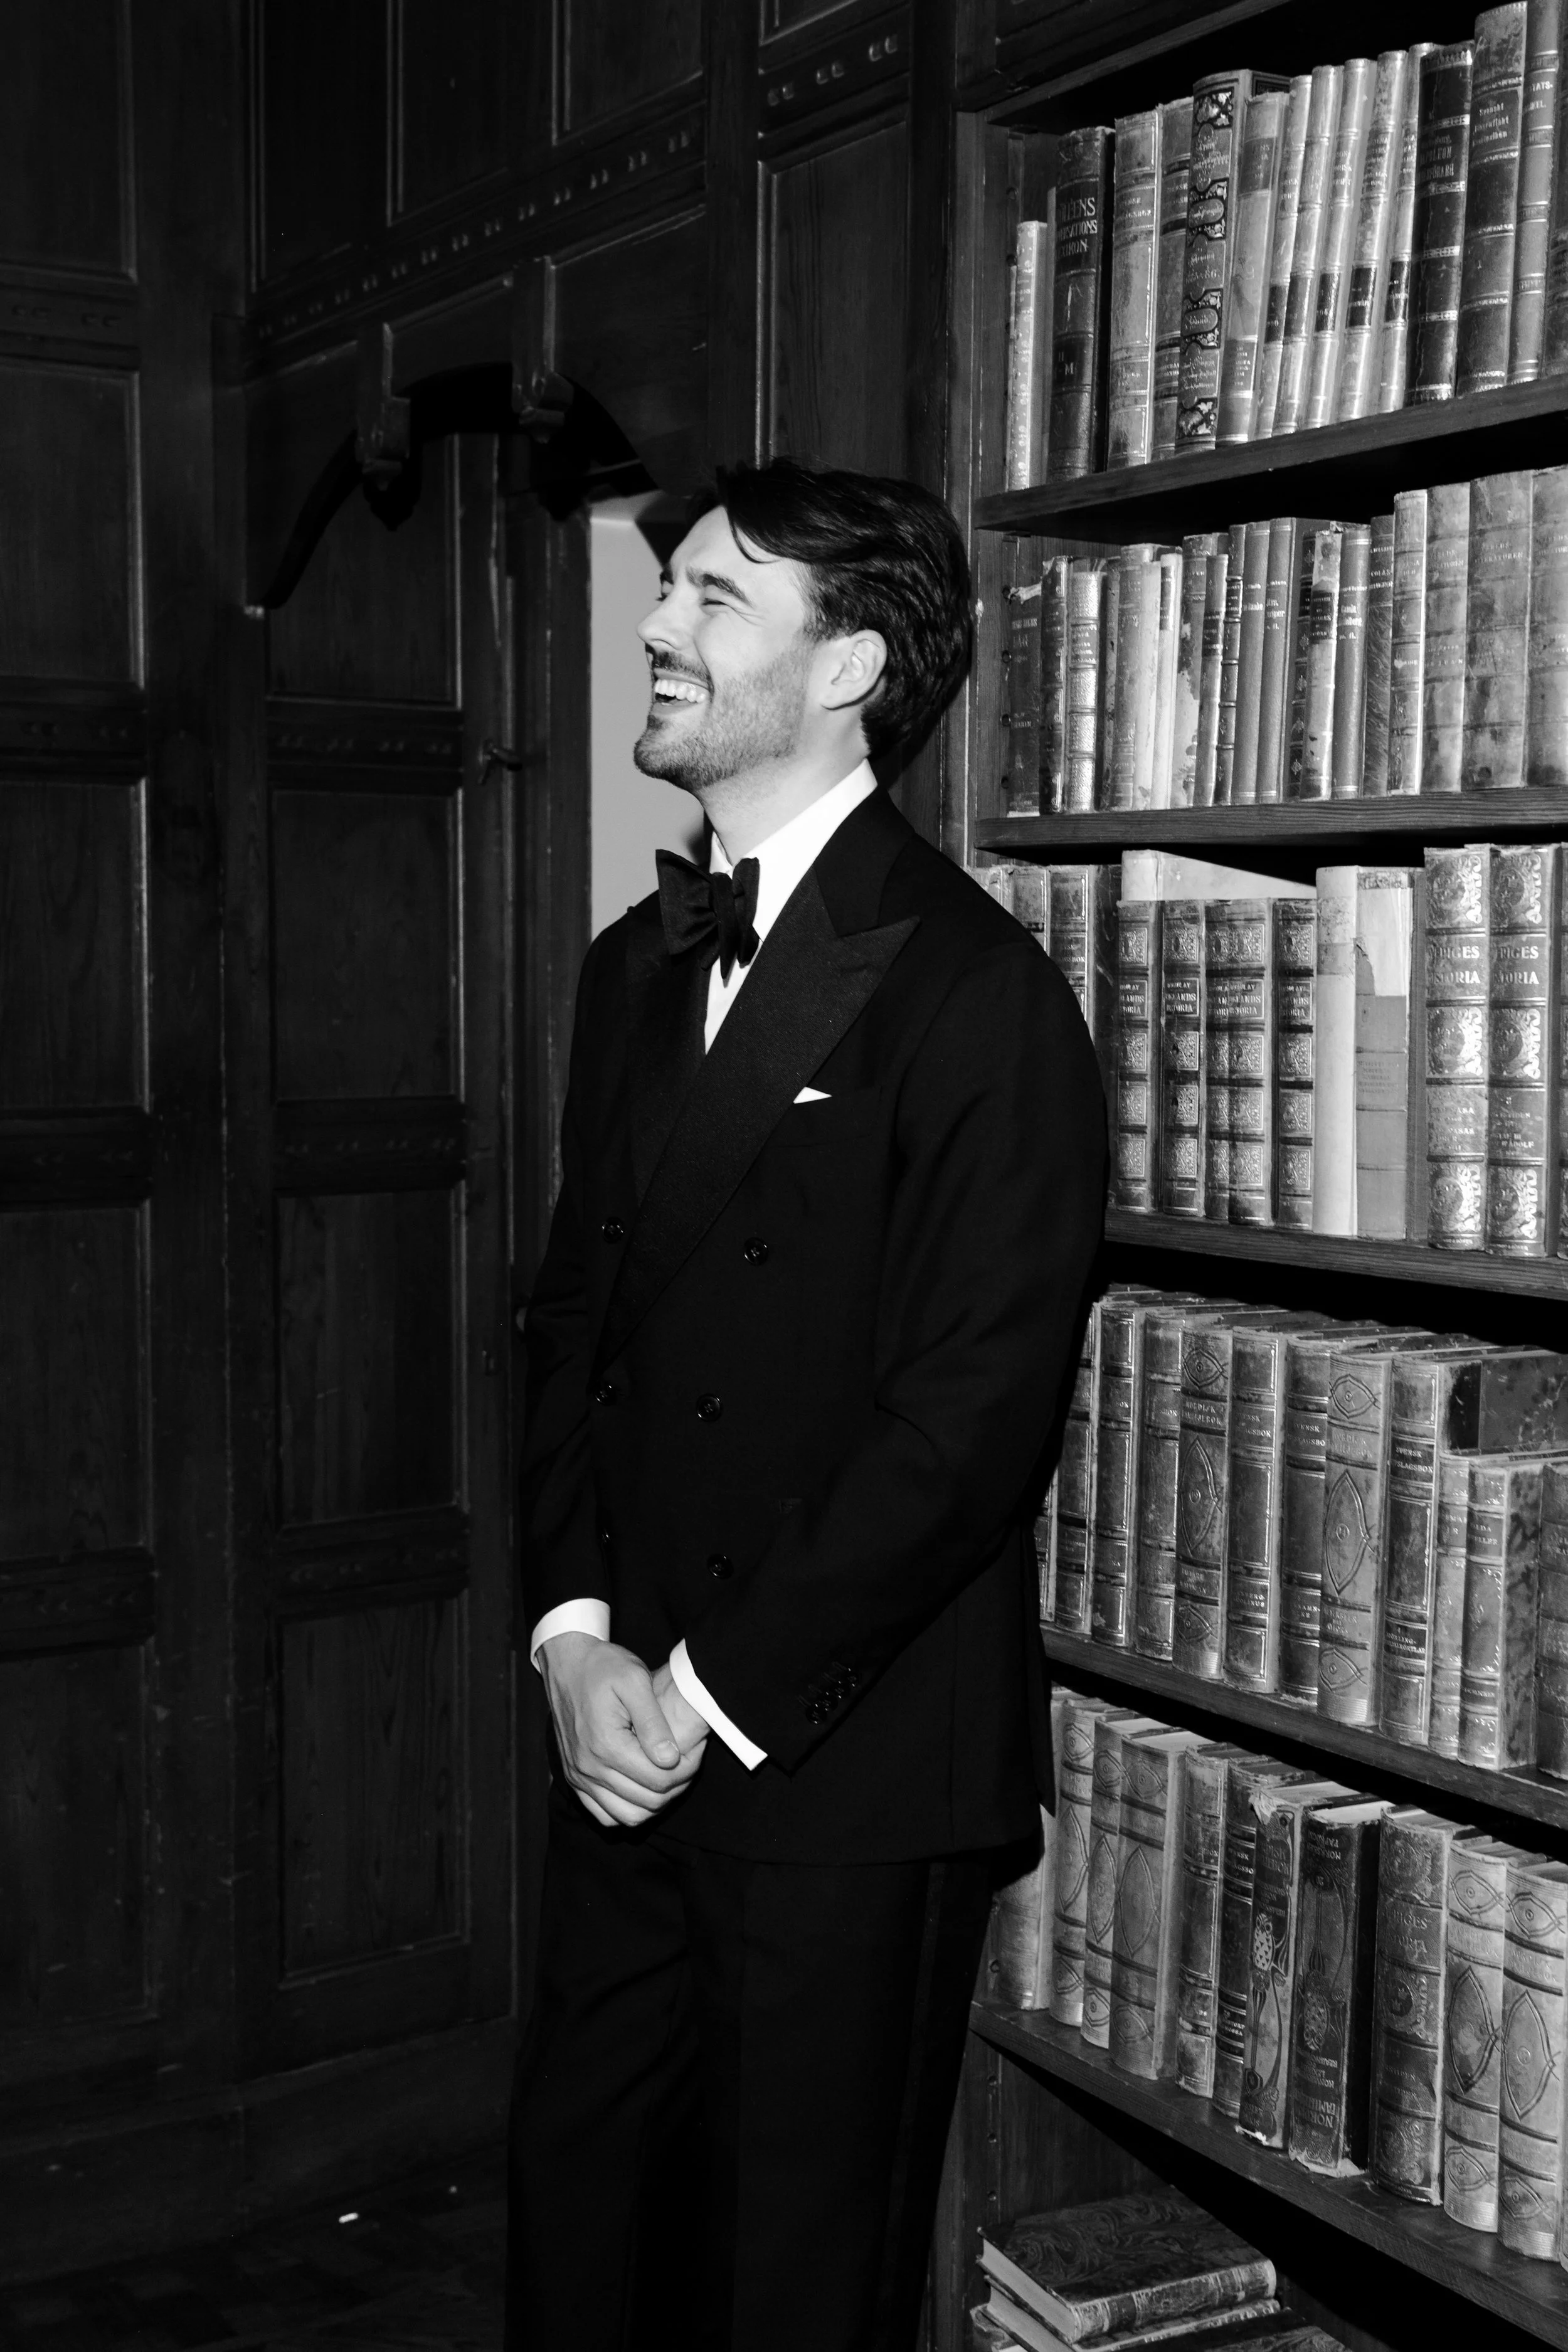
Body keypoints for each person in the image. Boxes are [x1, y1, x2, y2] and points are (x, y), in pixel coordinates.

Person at [507, 457, 1105, 2351]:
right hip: (617, 1741)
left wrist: (701, 1695)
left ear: (847, 667)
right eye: (671, 587)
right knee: (582, 2253)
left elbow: (965, 1428)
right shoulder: (630, 967)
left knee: (785, 2299)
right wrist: (574, 1639)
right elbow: (574, 1327)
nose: (657, 627)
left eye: (714, 598)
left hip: (837, 1765)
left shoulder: (980, 993)